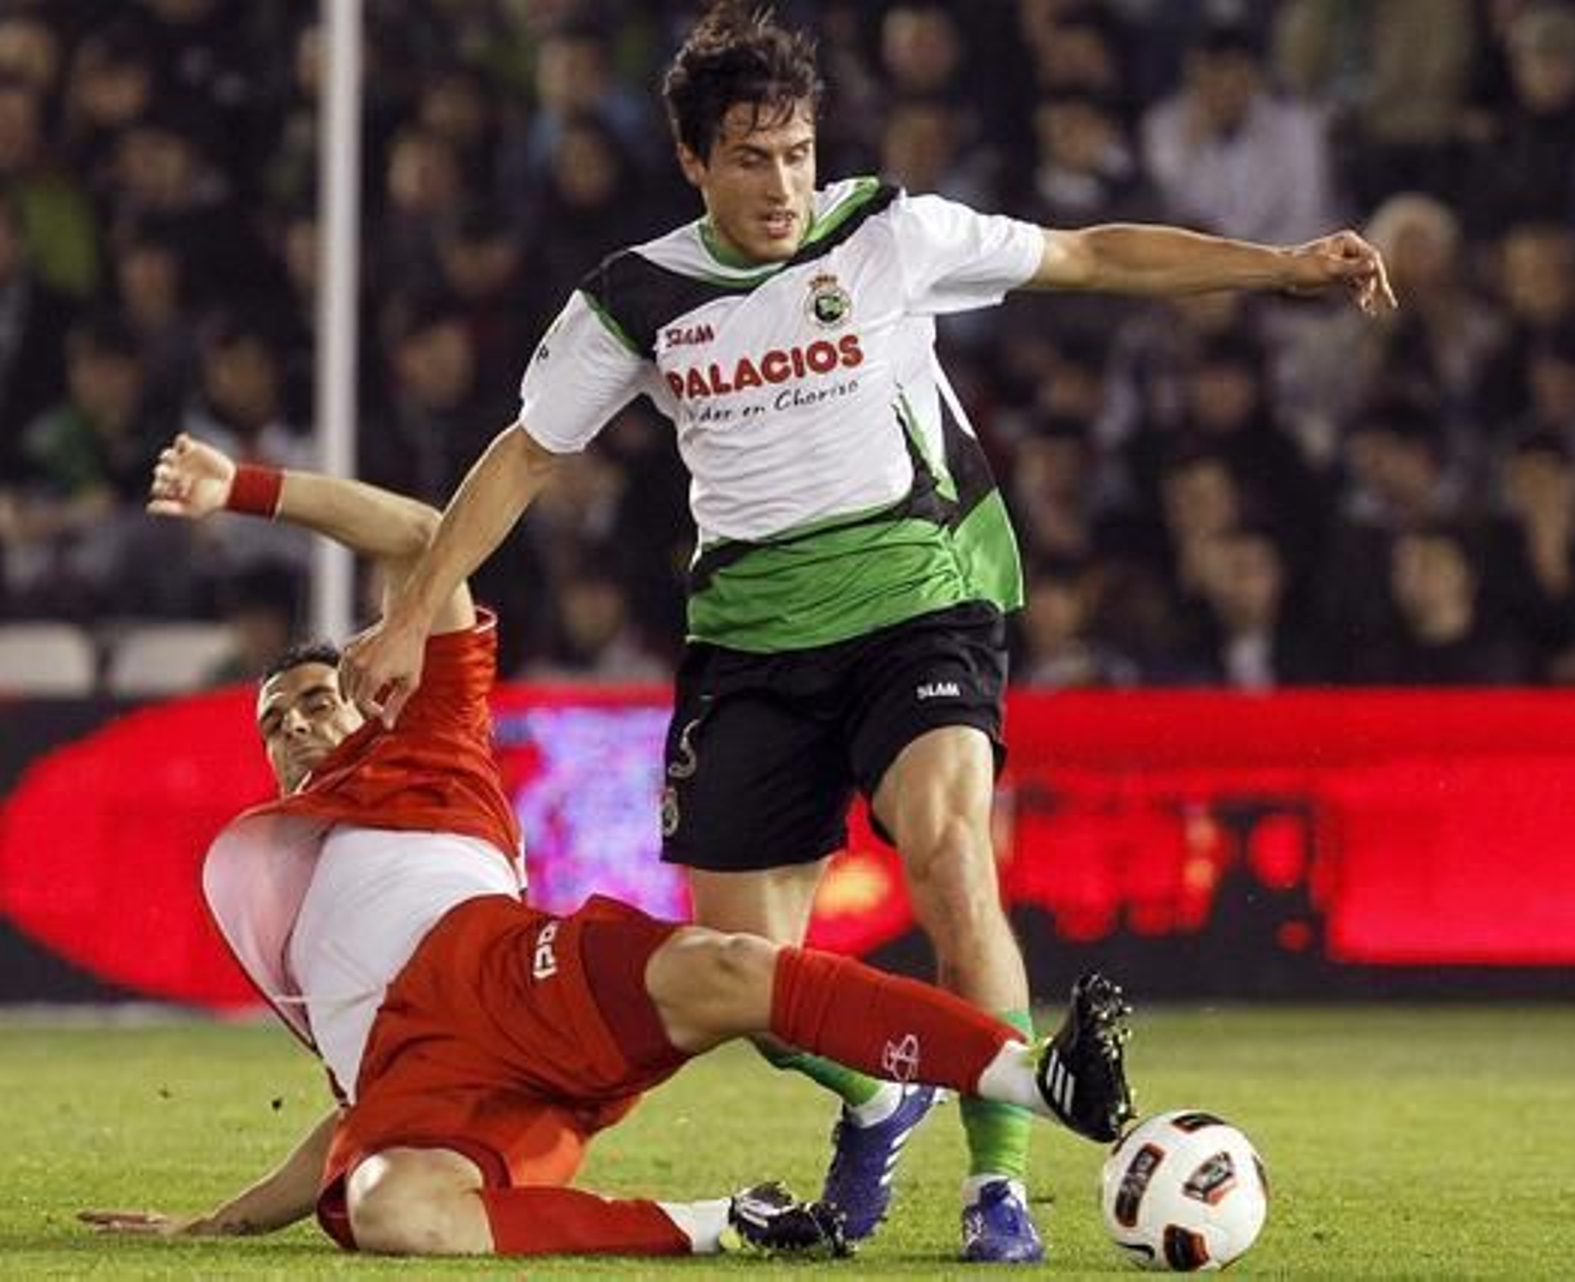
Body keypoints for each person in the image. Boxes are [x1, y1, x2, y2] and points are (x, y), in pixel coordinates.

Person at [338, 1, 1395, 1262]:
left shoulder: (890, 231)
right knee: (748, 984)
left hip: (922, 601)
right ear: (693, 161)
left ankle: (996, 1188)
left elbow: (1092, 255)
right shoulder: (634, 298)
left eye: (795, 151)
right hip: (753, 646)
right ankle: (877, 1092)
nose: (782, 183)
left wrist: (1279, 266)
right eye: (748, 157)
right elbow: (522, 458)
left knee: (951, 851)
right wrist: (412, 613)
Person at [81, 434, 1131, 1260]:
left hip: (514, 974)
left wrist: (247, 489)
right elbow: (354, 1111)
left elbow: (418, 535)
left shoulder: (430, 740)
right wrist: (222, 1223)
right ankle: (727, 1223)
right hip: (430, 1085)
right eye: (275, 719)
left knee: (734, 968)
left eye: (314, 699)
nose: (298, 721)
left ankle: (1043, 1083)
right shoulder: (289, 902)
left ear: (365, 706)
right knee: (387, 1206)